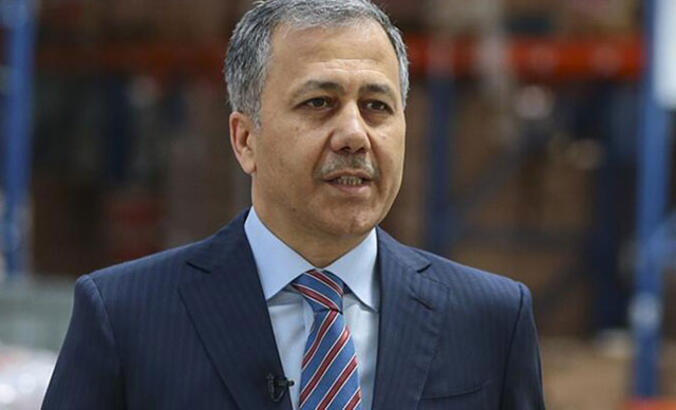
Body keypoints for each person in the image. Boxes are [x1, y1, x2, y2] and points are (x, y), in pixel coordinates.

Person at [43, 0, 545, 409]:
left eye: (377, 106)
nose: (354, 135)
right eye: (319, 103)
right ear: (245, 140)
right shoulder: (126, 316)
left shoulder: (489, 320)